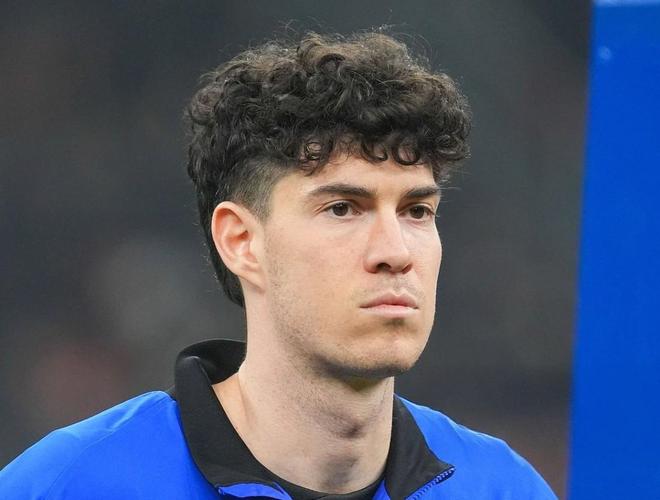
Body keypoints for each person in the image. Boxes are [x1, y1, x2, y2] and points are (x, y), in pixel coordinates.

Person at [0, 31, 557, 499]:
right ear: (241, 241)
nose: (395, 251)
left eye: (417, 210)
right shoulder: (70, 483)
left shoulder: (503, 487)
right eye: (343, 208)